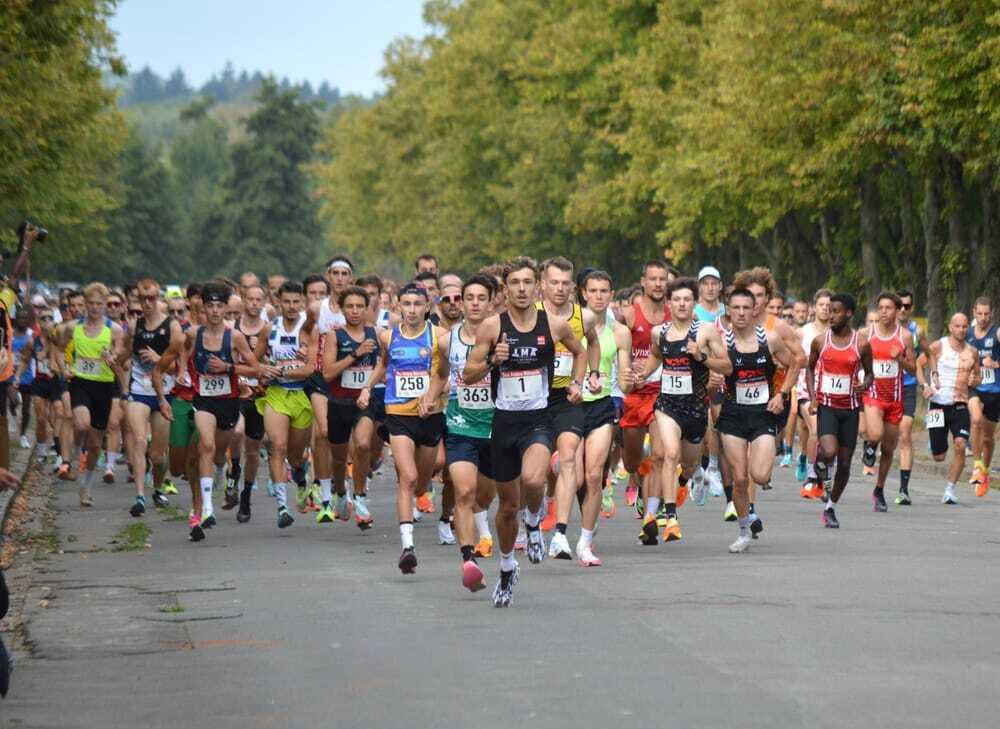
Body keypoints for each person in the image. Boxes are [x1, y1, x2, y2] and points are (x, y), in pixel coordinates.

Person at [464, 257, 587, 607]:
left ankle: (534, 523)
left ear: (537, 287)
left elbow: (579, 353)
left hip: (538, 419)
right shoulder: (491, 327)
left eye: (527, 282)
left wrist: (577, 383)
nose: (521, 288)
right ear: (505, 289)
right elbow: (468, 375)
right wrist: (492, 360)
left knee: (533, 481)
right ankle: (506, 568)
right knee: (506, 507)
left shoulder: (555, 324)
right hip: (504, 422)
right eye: (514, 283)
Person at [157, 282, 258, 539]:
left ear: (226, 308)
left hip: (229, 402)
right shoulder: (191, 335)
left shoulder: (234, 337)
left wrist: (229, 368)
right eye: (210, 305)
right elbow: (167, 363)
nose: (214, 311)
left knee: (213, 454)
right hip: (202, 402)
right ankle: (206, 509)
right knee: (206, 447)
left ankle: (207, 495)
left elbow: (254, 368)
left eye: (219, 306)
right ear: (203, 306)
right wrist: (170, 386)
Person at [636, 277, 730, 545]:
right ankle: (670, 517)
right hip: (668, 405)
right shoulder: (660, 332)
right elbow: (656, 354)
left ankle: (684, 483)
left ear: (695, 302)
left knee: (687, 465)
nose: (681, 304)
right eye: (676, 299)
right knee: (669, 454)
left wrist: (701, 356)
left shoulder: (707, 332)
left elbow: (726, 366)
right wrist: (644, 373)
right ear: (669, 303)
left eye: (687, 299)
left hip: (696, 409)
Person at [371, 283, 451, 574]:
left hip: (430, 416)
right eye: (407, 304)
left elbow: (446, 374)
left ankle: (422, 492)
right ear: (398, 306)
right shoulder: (387, 336)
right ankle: (407, 547)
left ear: (427, 307)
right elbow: (383, 365)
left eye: (418, 304)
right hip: (398, 413)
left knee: (424, 478)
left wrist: (432, 397)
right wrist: (368, 387)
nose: (413, 310)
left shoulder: (440, 336)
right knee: (408, 477)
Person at [716, 288, 798, 552]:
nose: (740, 313)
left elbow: (794, 364)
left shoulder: (769, 339)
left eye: (745, 308)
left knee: (760, 475)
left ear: (754, 310)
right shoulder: (722, 342)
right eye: (735, 308)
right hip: (733, 414)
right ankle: (743, 531)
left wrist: (782, 394)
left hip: (763, 413)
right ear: (728, 310)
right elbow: (706, 374)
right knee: (740, 479)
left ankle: (767, 461)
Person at [536, 256, 602, 560]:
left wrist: (588, 377)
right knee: (531, 475)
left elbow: (591, 345)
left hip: (566, 398)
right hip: (532, 400)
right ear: (542, 284)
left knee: (569, 458)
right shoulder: (528, 316)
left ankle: (560, 534)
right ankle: (532, 519)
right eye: (554, 283)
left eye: (565, 283)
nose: (560, 289)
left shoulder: (583, 317)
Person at [574, 270, 634, 565]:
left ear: (611, 294)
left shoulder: (620, 331)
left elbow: (625, 379)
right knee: (575, 478)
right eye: (593, 290)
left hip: (602, 404)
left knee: (594, 474)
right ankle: (583, 511)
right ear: (583, 293)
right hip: (569, 406)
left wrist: (629, 379)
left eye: (604, 291)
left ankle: (585, 542)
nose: (599, 296)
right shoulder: (569, 325)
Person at [443, 274, 498, 590]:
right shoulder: (447, 340)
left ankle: (484, 526)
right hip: (459, 425)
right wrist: (430, 394)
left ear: (491, 302)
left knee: (485, 494)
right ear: (461, 302)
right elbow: (440, 374)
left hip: (494, 427)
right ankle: (468, 559)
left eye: (481, 298)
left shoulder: (503, 335)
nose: (475, 303)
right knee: (463, 492)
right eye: (469, 298)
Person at [806, 293, 873, 529]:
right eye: (829, 311)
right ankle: (821, 461)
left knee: (845, 464)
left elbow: (870, 373)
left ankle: (830, 507)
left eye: (836, 311)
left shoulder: (861, 343)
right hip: (827, 406)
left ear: (849, 314)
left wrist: (864, 384)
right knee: (830, 451)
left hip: (851, 410)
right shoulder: (820, 341)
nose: (830, 315)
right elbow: (810, 370)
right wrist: (813, 398)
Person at [255, 281, 316, 528]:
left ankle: (301, 476)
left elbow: (313, 367)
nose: (291, 307)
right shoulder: (270, 328)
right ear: (278, 302)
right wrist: (262, 370)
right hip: (277, 394)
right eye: (286, 302)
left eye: (295, 302)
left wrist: (293, 368)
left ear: (302, 303)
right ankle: (282, 507)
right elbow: (253, 360)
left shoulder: (309, 329)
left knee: (295, 455)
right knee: (277, 447)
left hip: (302, 395)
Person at [124, 278, 185, 517]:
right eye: (143, 299)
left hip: (164, 394)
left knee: (158, 455)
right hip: (139, 391)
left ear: (158, 298)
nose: (147, 303)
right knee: (139, 440)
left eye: (151, 298)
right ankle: (139, 496)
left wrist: (159, 360)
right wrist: (113, 359)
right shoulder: (135, 325)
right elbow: (125, 352)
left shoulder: (172, 326)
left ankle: (158, 487)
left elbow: (179, 366)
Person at [321, 285, 379, 528]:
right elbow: (327, 373)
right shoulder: (335, 335)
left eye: (359, 306)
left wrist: (371, 384)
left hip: (364, 401)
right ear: (342, 309)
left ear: (367, 309)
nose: (355, 311)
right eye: (350, 306)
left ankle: (361, 496)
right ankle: (341, 492)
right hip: (338, 403)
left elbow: (383, 365)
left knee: (364, 445)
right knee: (338, 458)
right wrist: (355, 355)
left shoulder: (376, 334)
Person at [618, 261, 669, 519]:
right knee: (632, 461)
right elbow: (616, 348)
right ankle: (637, 482)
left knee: (661, 454)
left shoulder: (677, 316)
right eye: (653, 279)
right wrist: (627, 366)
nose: (658, 284)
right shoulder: (628, 315)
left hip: (663, 394)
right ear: (643, 282)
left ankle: (651, 514)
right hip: (635, 395)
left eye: (662, 279)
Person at [68, 283, 127, 506]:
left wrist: (113, 355)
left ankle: (86, 486)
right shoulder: (72, 327)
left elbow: (120, 349)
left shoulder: (114, 329)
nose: (94, 308)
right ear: (85, 305)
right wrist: (63, 363)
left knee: (95, 444)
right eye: (90, 304)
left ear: (104, 305)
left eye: (98, 304)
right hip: (81, 382)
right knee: (82, 425)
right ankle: (74, 455)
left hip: (104, 385)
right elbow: (57, 346)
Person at [861, 293, 915, 512]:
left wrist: (899, 359)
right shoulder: (867, 334)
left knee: (889, 448)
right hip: (873, 395)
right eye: (881, 307)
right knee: (875, 434)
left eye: (888, 308)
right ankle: (869, 444)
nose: (884, 312)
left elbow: (912, 368)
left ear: (897, 311)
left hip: (894, 399)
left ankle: (879, 490)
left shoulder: (905, 336)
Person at [922, 313, 980, 504]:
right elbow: (918, 364)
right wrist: (925, 386)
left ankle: (949, 490)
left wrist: (974, 381)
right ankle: (937, 441)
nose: (961, 330)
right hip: (937, 405)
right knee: (939, 456)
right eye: (958, 326)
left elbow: (978, 377)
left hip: (960, 404)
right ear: (950, 327)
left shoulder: (972, 352)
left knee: (961, 444)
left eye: (964, 327)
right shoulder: (938, 346)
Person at [894, 289, 930, 505]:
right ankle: (871, 446)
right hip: (884, 387)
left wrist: (927, 378)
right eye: (899, 306)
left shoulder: (917, 331)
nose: (903, 310)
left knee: (905, 433)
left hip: (907, 386)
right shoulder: (882, 329)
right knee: (877, 433)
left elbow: (929, 353)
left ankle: (904, 489)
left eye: (907, 306)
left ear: (912, 308)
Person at [967, 297, 999, 496]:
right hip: (975, 387)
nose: (983, 318)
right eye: (979, 313)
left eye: (987, 314)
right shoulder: (968, 333)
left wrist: (996, 364)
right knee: (976, 419)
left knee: (988, 437)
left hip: (995, 390)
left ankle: (984, 473)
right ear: (974, 312)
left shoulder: (996, 332)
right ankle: (977, 465)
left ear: (992, 313)